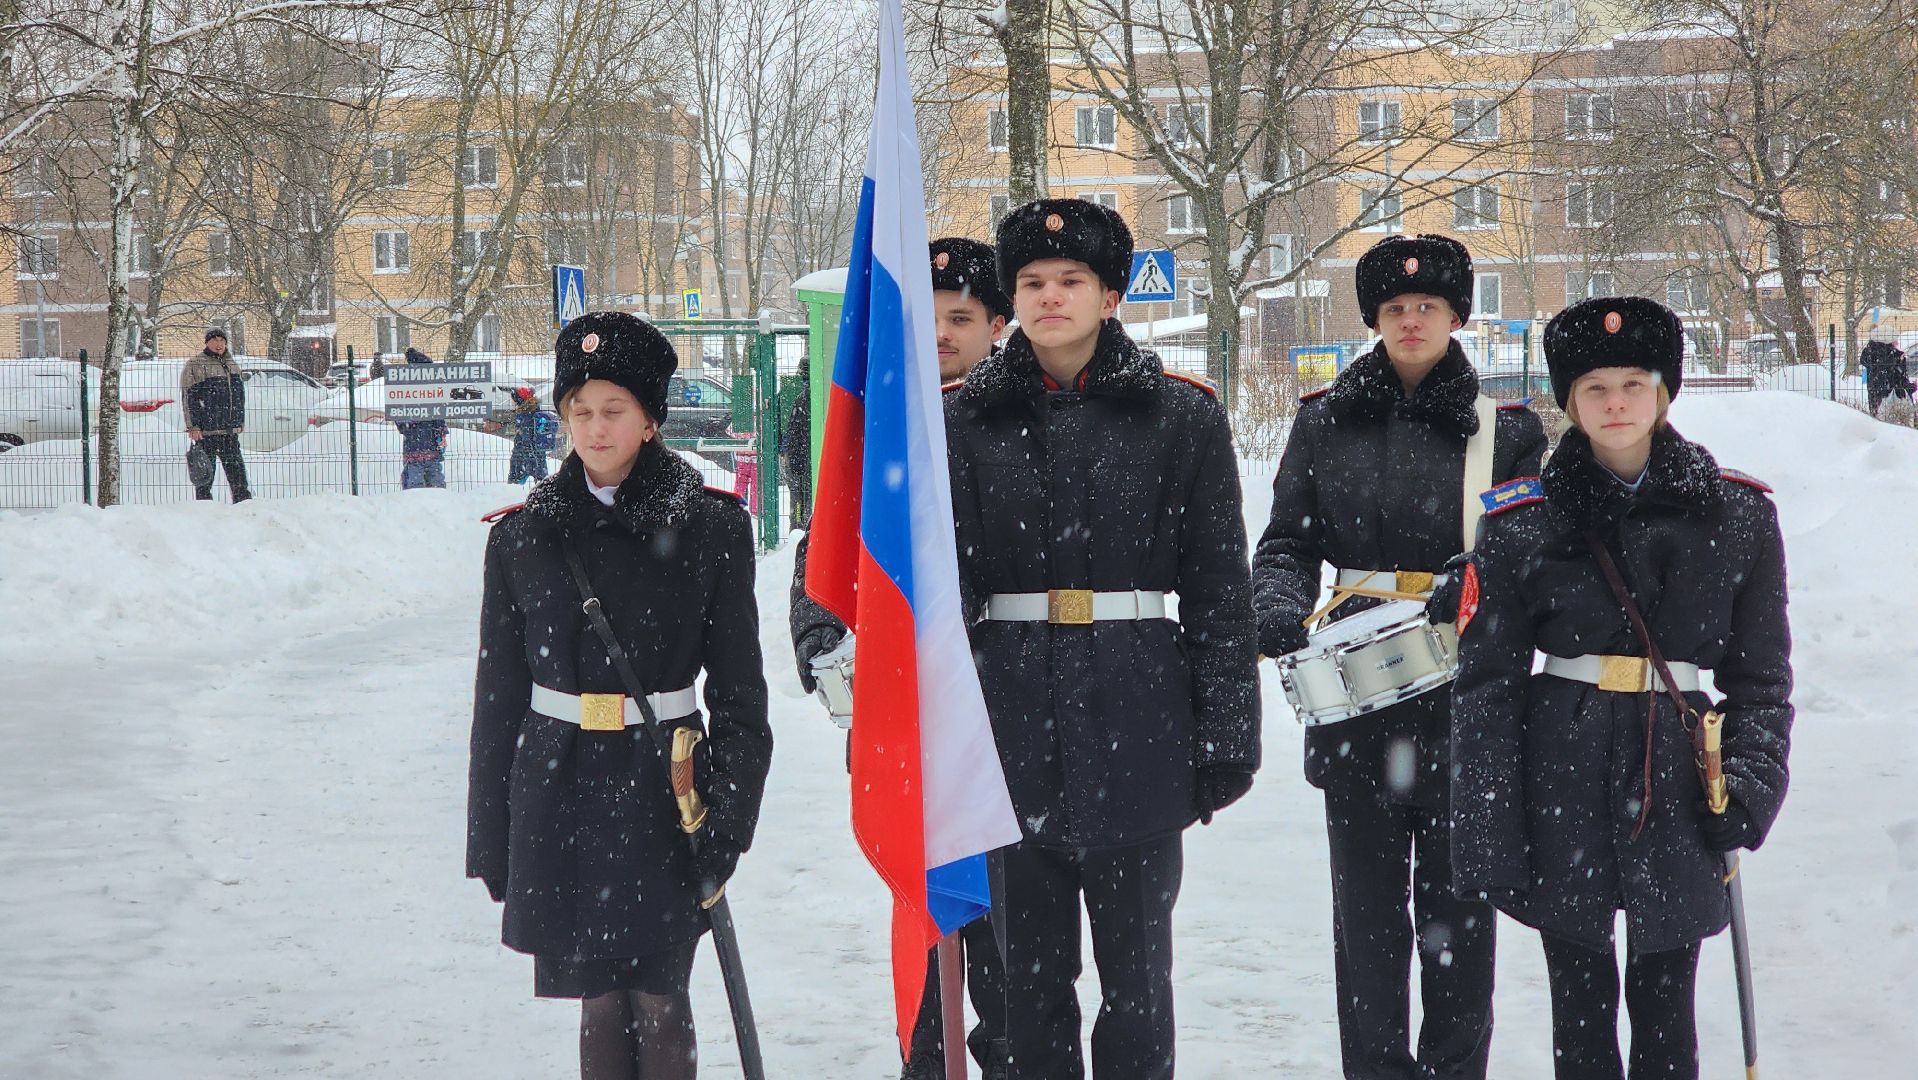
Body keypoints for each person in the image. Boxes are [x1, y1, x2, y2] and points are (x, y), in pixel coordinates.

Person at [943, 198, 1259, 1080]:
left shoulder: (1180, 417)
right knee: (1027, 990)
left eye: (1071, 281)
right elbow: (941, 592)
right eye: (1033, 283)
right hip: (1008, 732)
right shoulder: (961, 420)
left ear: (1111, 295)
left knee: (1137, 986)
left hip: (1139, 721)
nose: (1050, 297)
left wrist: (1226, 735)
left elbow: (1217, 594)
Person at [1450, 296, 1793, 1080]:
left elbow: (1761, 679)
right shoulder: (1518, 523)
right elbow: (1487, 691)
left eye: (1634, 384)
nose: (1615, 405)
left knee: (1668, 1001)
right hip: (1560, 768)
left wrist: (1748, 783)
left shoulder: (1736, 515)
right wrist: (1489, 828)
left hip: (1679, 772)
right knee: (1579, 1005)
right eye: (1594, 388)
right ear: (1568, 401)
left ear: (1665, 392)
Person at [1252, 233, 1546, 1080]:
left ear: (1458, 317)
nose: (1410, 320)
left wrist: (1482, 575)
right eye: (1393, 309)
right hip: (1358, 699)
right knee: (1367, 927)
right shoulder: (1324, 423)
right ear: (1373, 322)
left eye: (1427, 307)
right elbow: (1285, 544)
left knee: (1461, 924)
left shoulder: (1509, 430)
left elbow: (1534, 553)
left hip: (1468, 700)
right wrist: (1274, 600)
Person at [467, 310, 774, 1080]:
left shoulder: (708, 528)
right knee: (598, 998)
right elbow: (498, 699)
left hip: (665, 792)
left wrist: (728, 817)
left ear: (650, 420)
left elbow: (741, 697)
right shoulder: (522, 536)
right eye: (580, 411)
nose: (595, 429)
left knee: (660, 992)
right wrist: (491, 834)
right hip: (558, 788)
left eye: (614, 411)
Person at [790, 237, 1012, 1080]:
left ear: (998, 323)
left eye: (962, 318)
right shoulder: (881, 430)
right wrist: (827, 647)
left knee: (1006, 955)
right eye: (929, 320)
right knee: (924, 942)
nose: (945, 335)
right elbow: (824, 562)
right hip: (904, 733)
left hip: (999, 724)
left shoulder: (1016, 422)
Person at [181, 327, 252, 502]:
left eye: (222, 340)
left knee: (239, 478)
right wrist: (194, 426)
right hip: (207, 433)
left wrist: (239, 419)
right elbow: (189, 397)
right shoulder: (196, 364)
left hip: (229, 432)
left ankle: (245, 508)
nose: (219, 344)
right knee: (204, 478)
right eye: (215, 340)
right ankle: (205, 512)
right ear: (207, 343)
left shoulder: (231, 364)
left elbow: (239, 397)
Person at [396, 346, 449, 489]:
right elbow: (400, 422)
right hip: (414, 451)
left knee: (437, 484)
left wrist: (441, 432)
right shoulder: (404, 394)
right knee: (415, 487)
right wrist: (414, 419)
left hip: (432, 450)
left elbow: (440, 418)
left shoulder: (434, 394)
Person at [1859, 325, 1912, 415]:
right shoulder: (1894, 356)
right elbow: (1899, 379)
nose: (1897, 342)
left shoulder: (1869, 354)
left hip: (1874, 395)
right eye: (1894, 339)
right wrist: (1909, 388)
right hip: (1892, 396)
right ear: (1888, 340)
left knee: (1877, 419)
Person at [508, 386, 557, 484]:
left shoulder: (525, 416)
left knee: (516, 481)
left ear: (519, 401)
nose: (511, 403)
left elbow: (526, 439)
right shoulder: (530, 412)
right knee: (540, 477)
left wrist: (520, 453)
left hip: (526, 455)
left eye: (513, 400)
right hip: (536, 454)